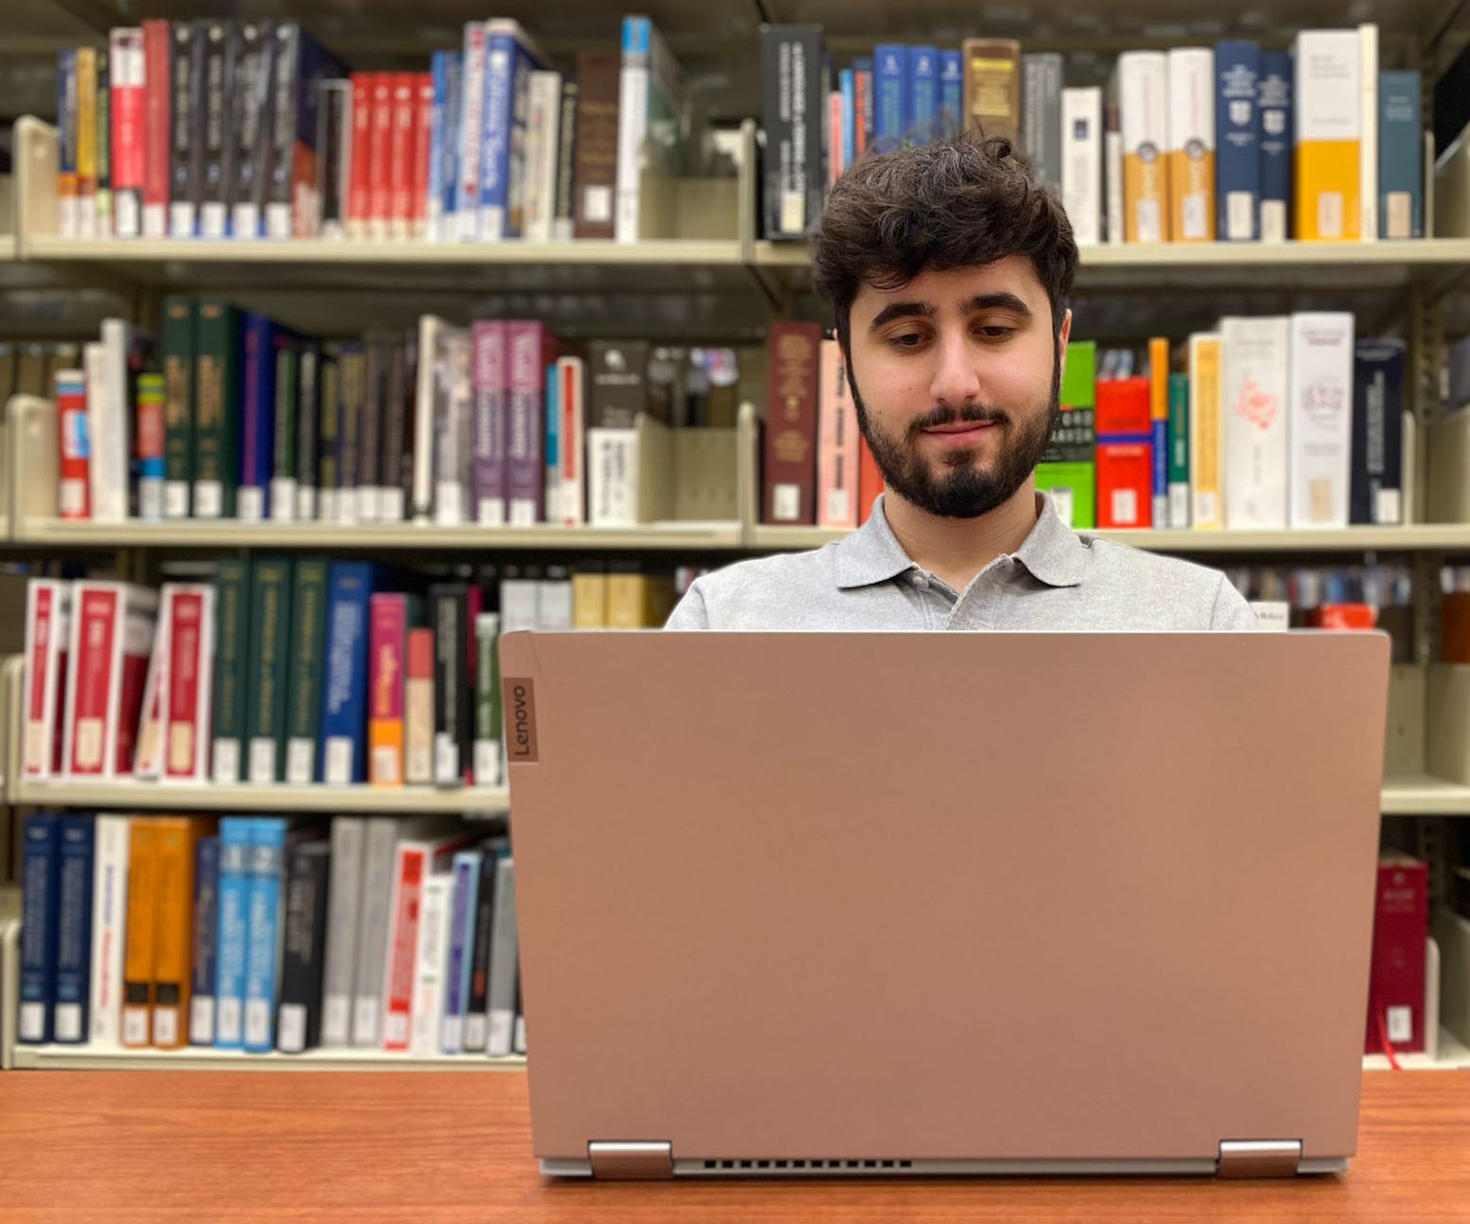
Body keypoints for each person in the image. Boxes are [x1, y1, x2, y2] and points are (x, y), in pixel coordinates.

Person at [665, 134, 1256, 632]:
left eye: (994, 329)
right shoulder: (724, 624)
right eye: (907, 339)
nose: (955, 383)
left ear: (1059, 345)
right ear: (844, 364)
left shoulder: (1201, 623)